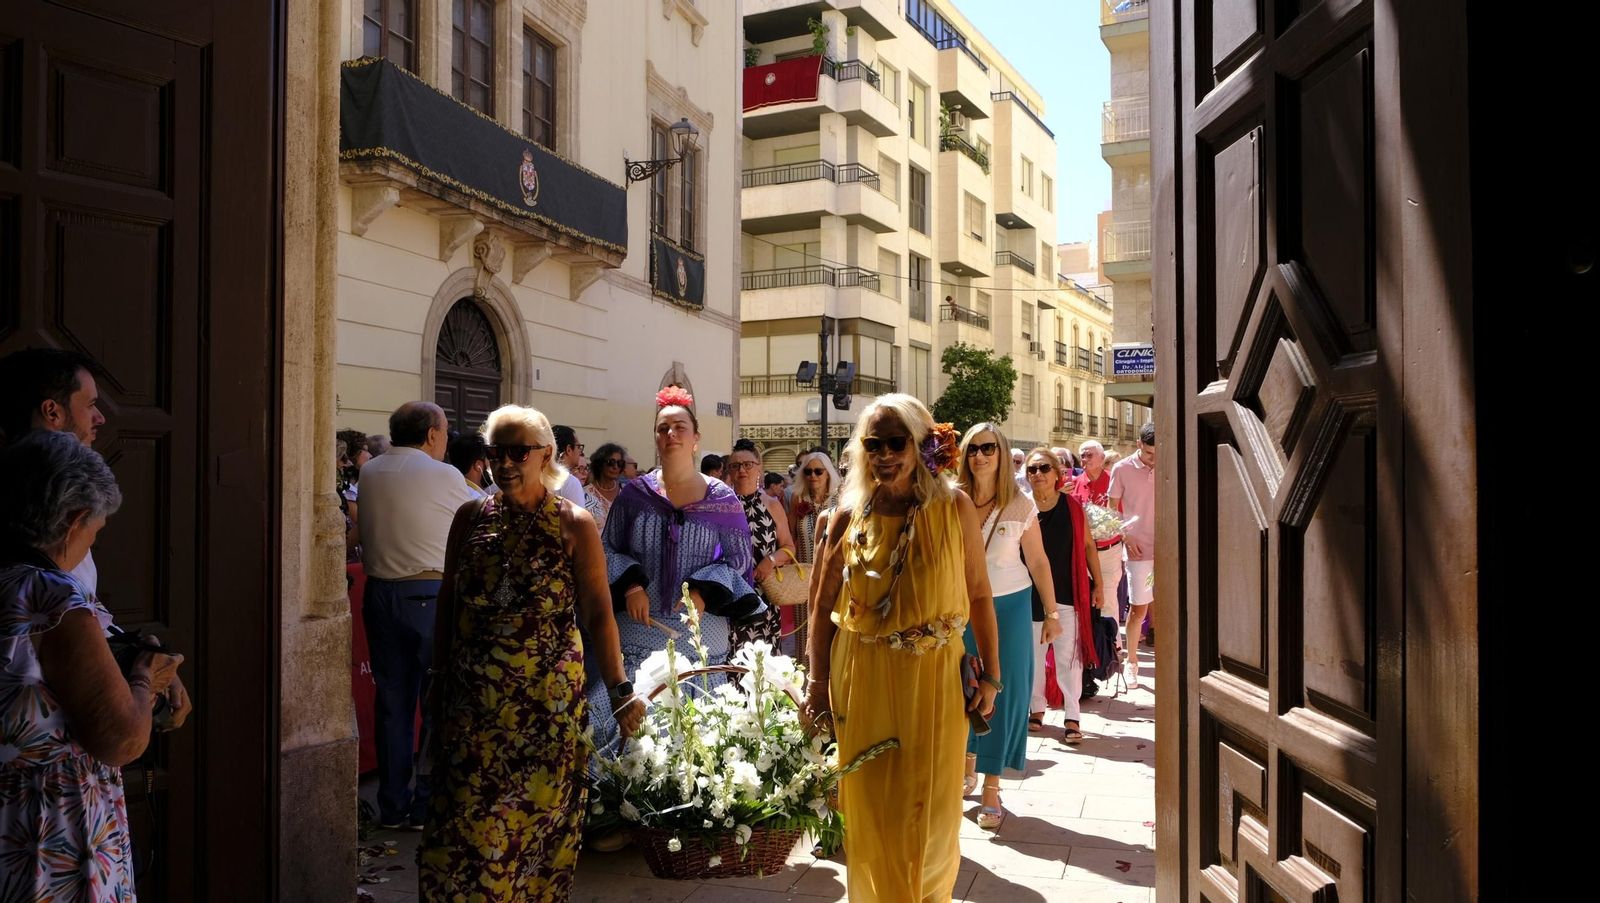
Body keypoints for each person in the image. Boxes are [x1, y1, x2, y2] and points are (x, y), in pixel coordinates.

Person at [419, 405, 642, 901]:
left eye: (518, 452)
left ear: (546, 455)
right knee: (463, 832)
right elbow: (449, 601)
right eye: (495, 452)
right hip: (473, 705)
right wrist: (437, 674)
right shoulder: (470, 516)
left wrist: (620, 689)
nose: (504, 463)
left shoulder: (574, 523)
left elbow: (599, 613)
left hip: (546, 710)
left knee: (536, 833)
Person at [802, 394, 1000, 902]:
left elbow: (980, 593)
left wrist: (992, 677)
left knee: (931, 813)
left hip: (935, 679)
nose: (885, 454)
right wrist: (816, 685)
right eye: (874, 444)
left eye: (897, 442)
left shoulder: (954, 507)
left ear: (921, 445)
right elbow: (820, 607)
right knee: (871, 809)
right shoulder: (848, 515)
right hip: (862, 677)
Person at [0, 431, 192, 902]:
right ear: (74, 521)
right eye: (95, 533)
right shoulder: (52, 595)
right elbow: (122, 738)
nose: (90, 547)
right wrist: (146, 677)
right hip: (49, 835)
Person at [594, 388, 762, 831]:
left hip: (698, 630)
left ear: (695, 438)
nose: (670, 434)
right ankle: (613, 815)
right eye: (663, 427)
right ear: (656, 437)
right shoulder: (634, 496)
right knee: (616, 715)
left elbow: (740, 562)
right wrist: (632, 584)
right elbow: (607, 549)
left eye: (679, 427)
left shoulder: (723, 499)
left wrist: (703, 592)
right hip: (638, 627)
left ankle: (682, 819)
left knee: (691, 723)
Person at [357, 402, 480, 830]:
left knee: (392, 704)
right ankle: (425, 804)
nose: (445, 440)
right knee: (436, 702)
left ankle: (393, 806)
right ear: (431, 434)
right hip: (427, 594)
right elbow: (486, 511)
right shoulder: (443, 474)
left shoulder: (370, 471)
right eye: (444, 432)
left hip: (379, 593)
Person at [954, 423, 1058, 830]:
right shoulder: (951, 500)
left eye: (988, 448)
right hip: (961, 608)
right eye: (973, 448)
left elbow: (1039, 561)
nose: (980, 455)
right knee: (961, 688)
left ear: (1001, 454)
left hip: (1010, 606)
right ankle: (967, 763)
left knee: (1003, 690)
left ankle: (991, 787)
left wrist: (1051, 614)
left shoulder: (1020, 504)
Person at [0, 348, 109, 605]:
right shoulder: (56, 492)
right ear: (52, 412)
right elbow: (46, 603)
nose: (101, 418)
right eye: (90, 404)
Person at [1022, 447, 1103, 745]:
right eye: (1032, 469)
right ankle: (1037, 708)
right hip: (1029, 593)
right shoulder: (1021, 507)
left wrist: (1099, 585)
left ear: (1057, 473)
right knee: (1033, 657)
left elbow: (1089, 547)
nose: (1038, 474)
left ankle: (1072, 715)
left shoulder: (1072, 506)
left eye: (1044, 468)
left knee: (1069, 658)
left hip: (1067, 593)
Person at [725, 438, 797, 650]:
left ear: (759, 469)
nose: (742, 470)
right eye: (735, 466)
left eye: (748, 464)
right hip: (730, 597)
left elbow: (789, 547)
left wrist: (771, 560)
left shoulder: (772, 505)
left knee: (763, 661)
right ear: (729, 471)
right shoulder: (722, 504)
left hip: (764, 595)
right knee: (730, 660)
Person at [1108, 423, 1156, 689]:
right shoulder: (1122, 468)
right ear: (1139, 444)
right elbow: (1111, 509)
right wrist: (1127, 537)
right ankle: (1132, 662)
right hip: (1139, 553)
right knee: (1139, 608)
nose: (1154, 459)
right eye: (1149, 453)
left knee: (1173, 607)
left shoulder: (1171, 462)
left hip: (1171, 550)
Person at [1071, 440, 1124, 640]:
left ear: (1102, 458)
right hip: (1084, 552)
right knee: (1084, 599)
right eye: (1082, 455)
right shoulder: (1074, 484)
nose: (1085, 459)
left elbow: (1124, 514)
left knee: (1108, 599)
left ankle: (1112, 645)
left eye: (1089, 455)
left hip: (1109, 550)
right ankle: (1090, 644)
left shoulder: (1114, 480)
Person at [788, 450, 839, 567]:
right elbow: (791, 535)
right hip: (803, 568)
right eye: (808, 471)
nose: (813, 475)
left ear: (828, 473)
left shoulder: (838, 499)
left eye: (818, 471)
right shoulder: (797, 498)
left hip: (831, 568)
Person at [584, 442, 628, 532]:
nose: (615, 467)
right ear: (600, 464)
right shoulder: (585, 494)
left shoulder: (626, 492)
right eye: (611, 462)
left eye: (620, 463)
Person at [551, 425, 587, 508]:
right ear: (569, 449)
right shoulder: (570, 483)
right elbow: (578, 516)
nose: (580, 452)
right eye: (578, 447)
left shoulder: (536, 475)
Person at [446, 433, 491, 497]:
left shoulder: (453, 489)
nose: (492, 467)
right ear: (478, 465)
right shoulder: (476, 498)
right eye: (490, 460)